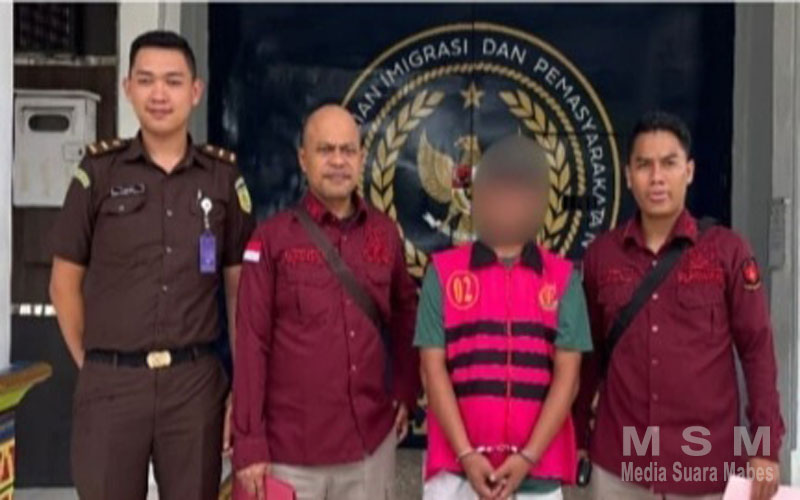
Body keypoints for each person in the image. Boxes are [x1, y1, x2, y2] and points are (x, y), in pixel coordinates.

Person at [49, 30, 255, 499]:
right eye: (146, 80)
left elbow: (240, 291)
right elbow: (63, 284)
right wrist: (94, 364)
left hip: (194, 384)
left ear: (196, 91)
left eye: (173, 81)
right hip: (112, 383)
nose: (159, 94)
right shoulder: (99, 173)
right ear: (127, 88)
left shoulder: (223, 178)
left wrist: (242, 388)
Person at [574, 111, 785, 500]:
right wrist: (577, 439)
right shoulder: (602, 256)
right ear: (628, 175)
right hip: (620, 466)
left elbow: (757, 350)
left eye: (669, 163)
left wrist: (764, 446)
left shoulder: (727, 251)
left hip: (705, 467)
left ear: (688, 172)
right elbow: (588, 357)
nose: (656, 177)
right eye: (644, 165)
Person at [232, 104, 420, 500]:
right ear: (303, 159)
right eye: (325, 150)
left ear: (362, 158)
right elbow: (251, 343)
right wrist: (249, 442)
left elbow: (406, 313)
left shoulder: (385, 233)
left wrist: (405, 388)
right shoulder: (272, 239)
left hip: (369, 449)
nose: (338, 161)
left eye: (348, 150)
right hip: (291, 456)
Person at [416, 135, 593, 500]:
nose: (508, 200)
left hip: (537, 476)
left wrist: (528, 458)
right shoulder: (443, 272)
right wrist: (467, 455)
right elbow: (431, 370)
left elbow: (569, 378)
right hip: (456, 475)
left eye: (520, 190)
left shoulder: (563, 278)